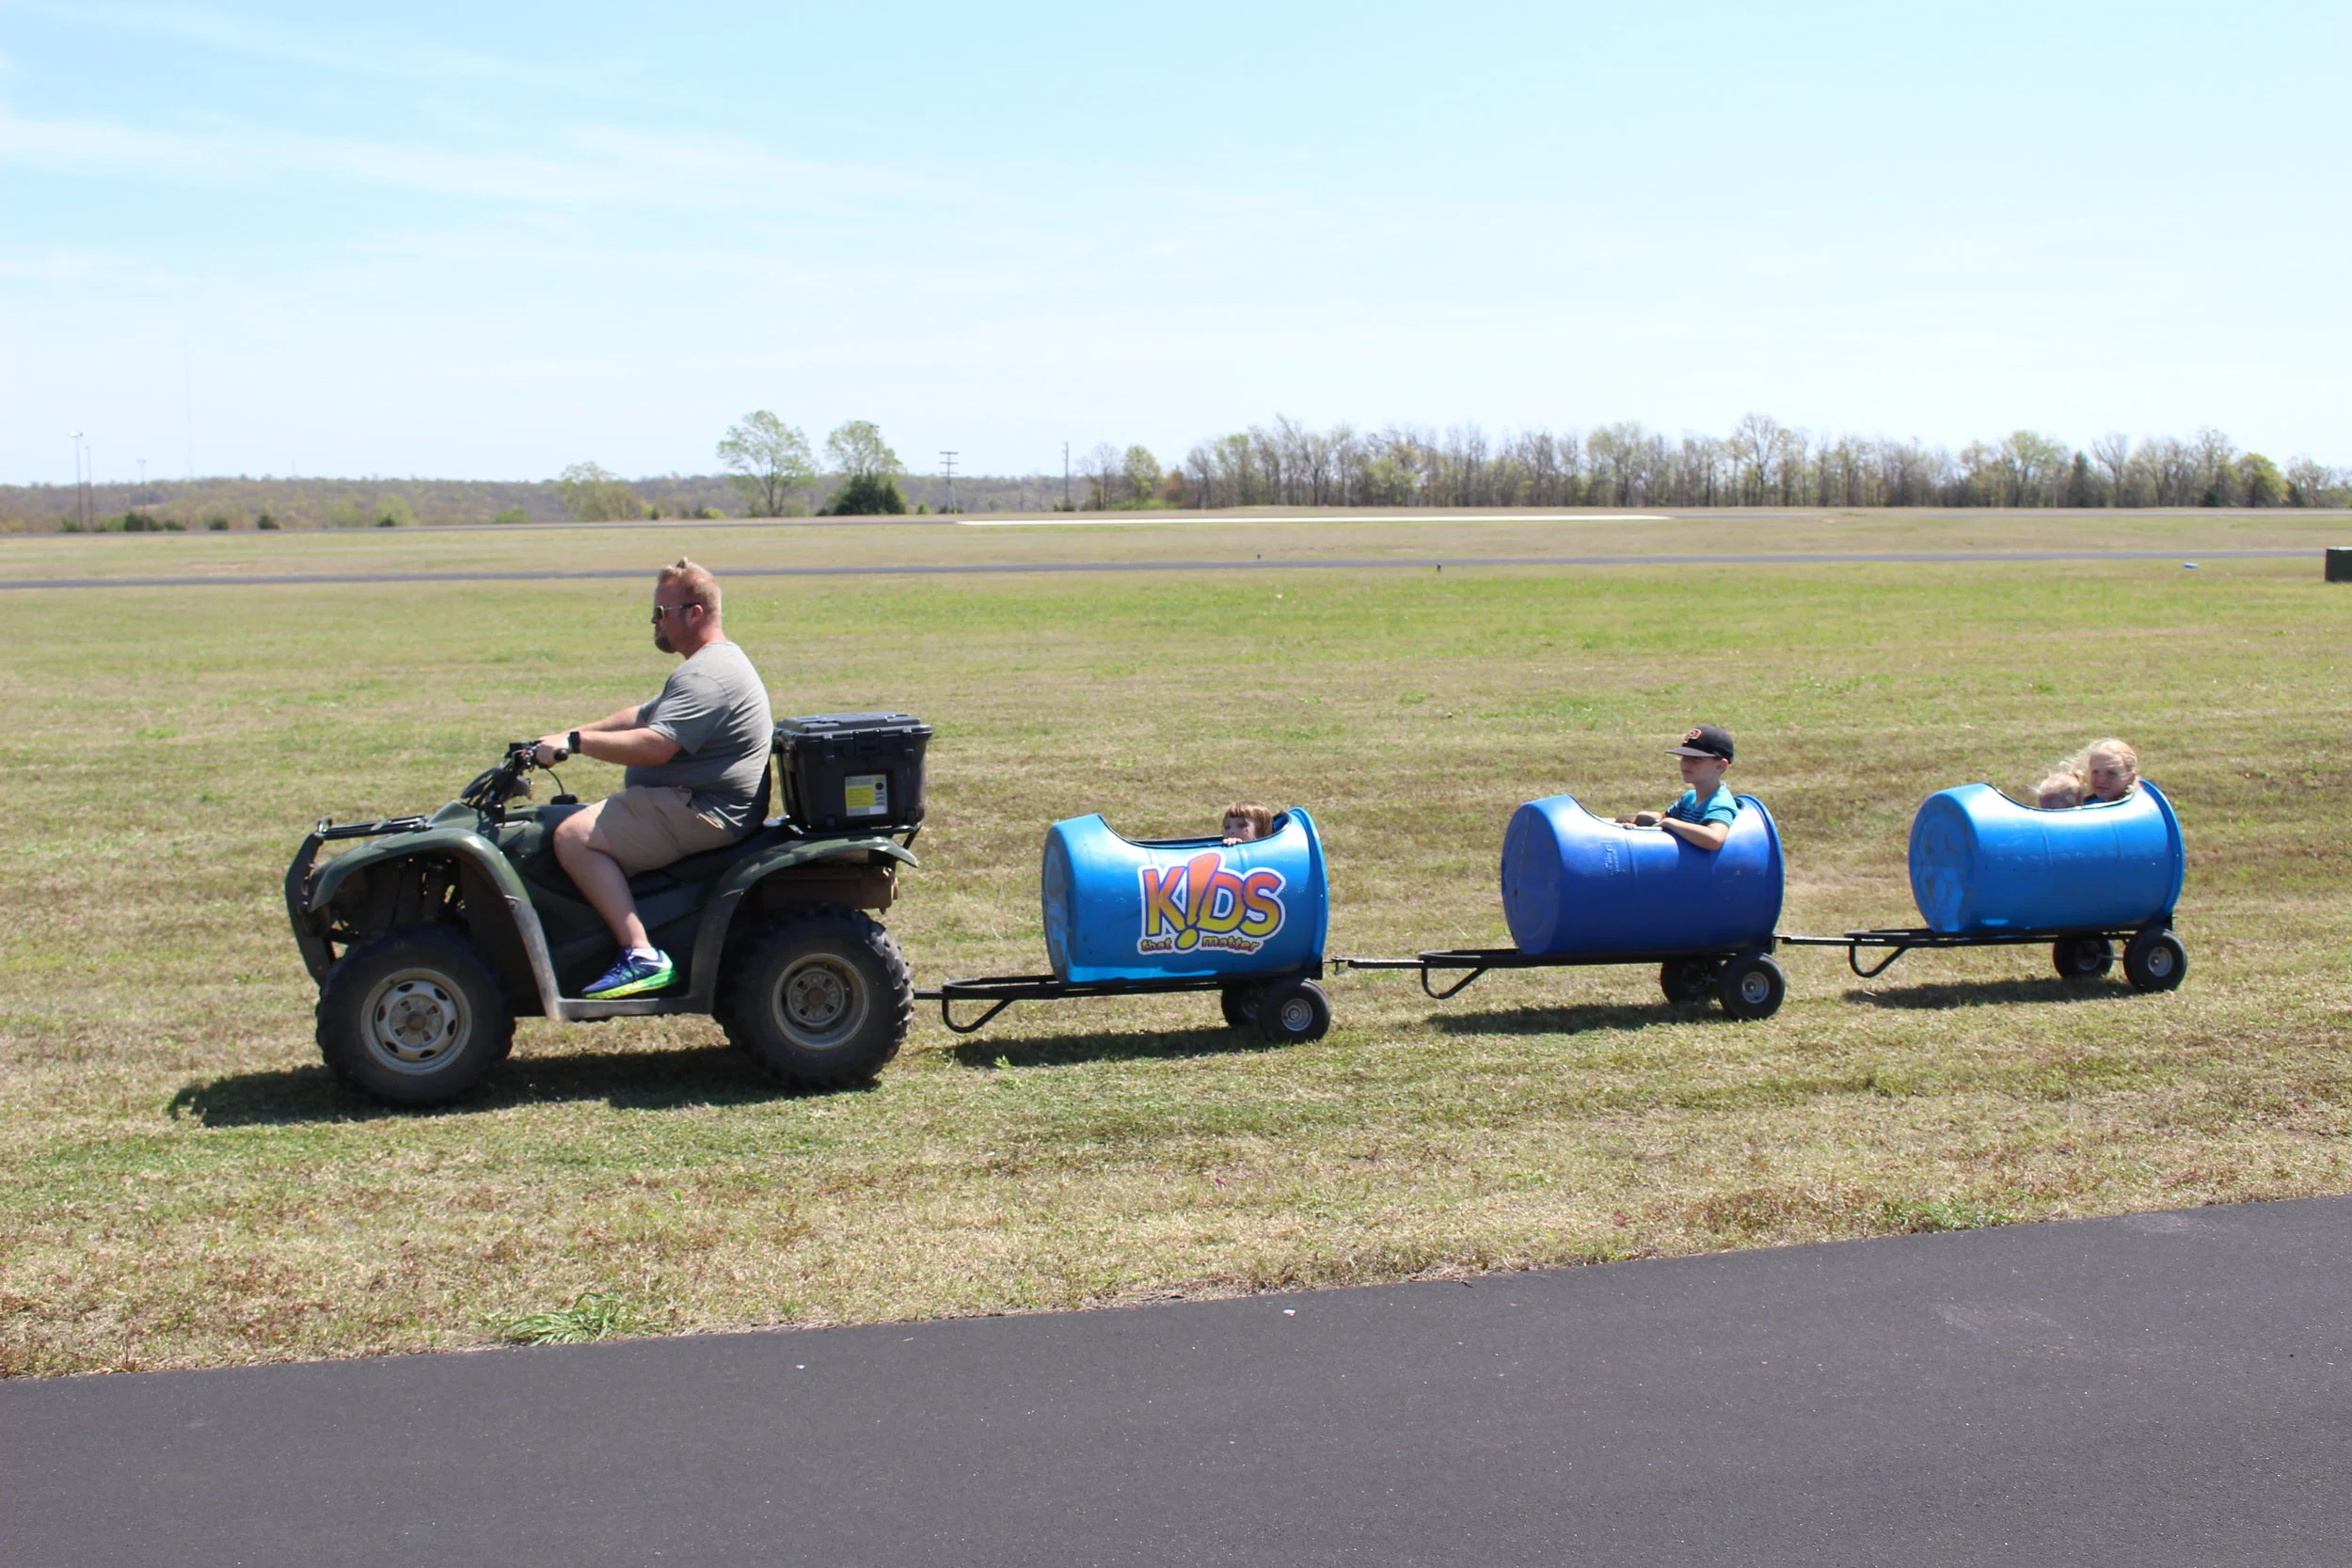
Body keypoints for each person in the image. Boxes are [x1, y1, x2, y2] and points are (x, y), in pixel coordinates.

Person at [533, 559, 773, 999]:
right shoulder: (707, 664)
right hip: (699, 799)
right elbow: (641, 716)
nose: (653, 622)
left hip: (705, 808)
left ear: (693, 614)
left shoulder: (707, 675)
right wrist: (564, 735)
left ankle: (641, 953)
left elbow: (655, 745)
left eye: (660, 612)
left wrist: (577, 743)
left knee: (574, 837)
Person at [1615, 723, 1741, 851]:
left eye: (1696, 760)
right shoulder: (1690, 798)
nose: (1686, 764)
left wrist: (1670, 823)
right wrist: (1639, 818)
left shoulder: (1720, 803)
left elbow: (1714, 839)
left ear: (1720, 766)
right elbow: (1663, 817)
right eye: (1684, 758)